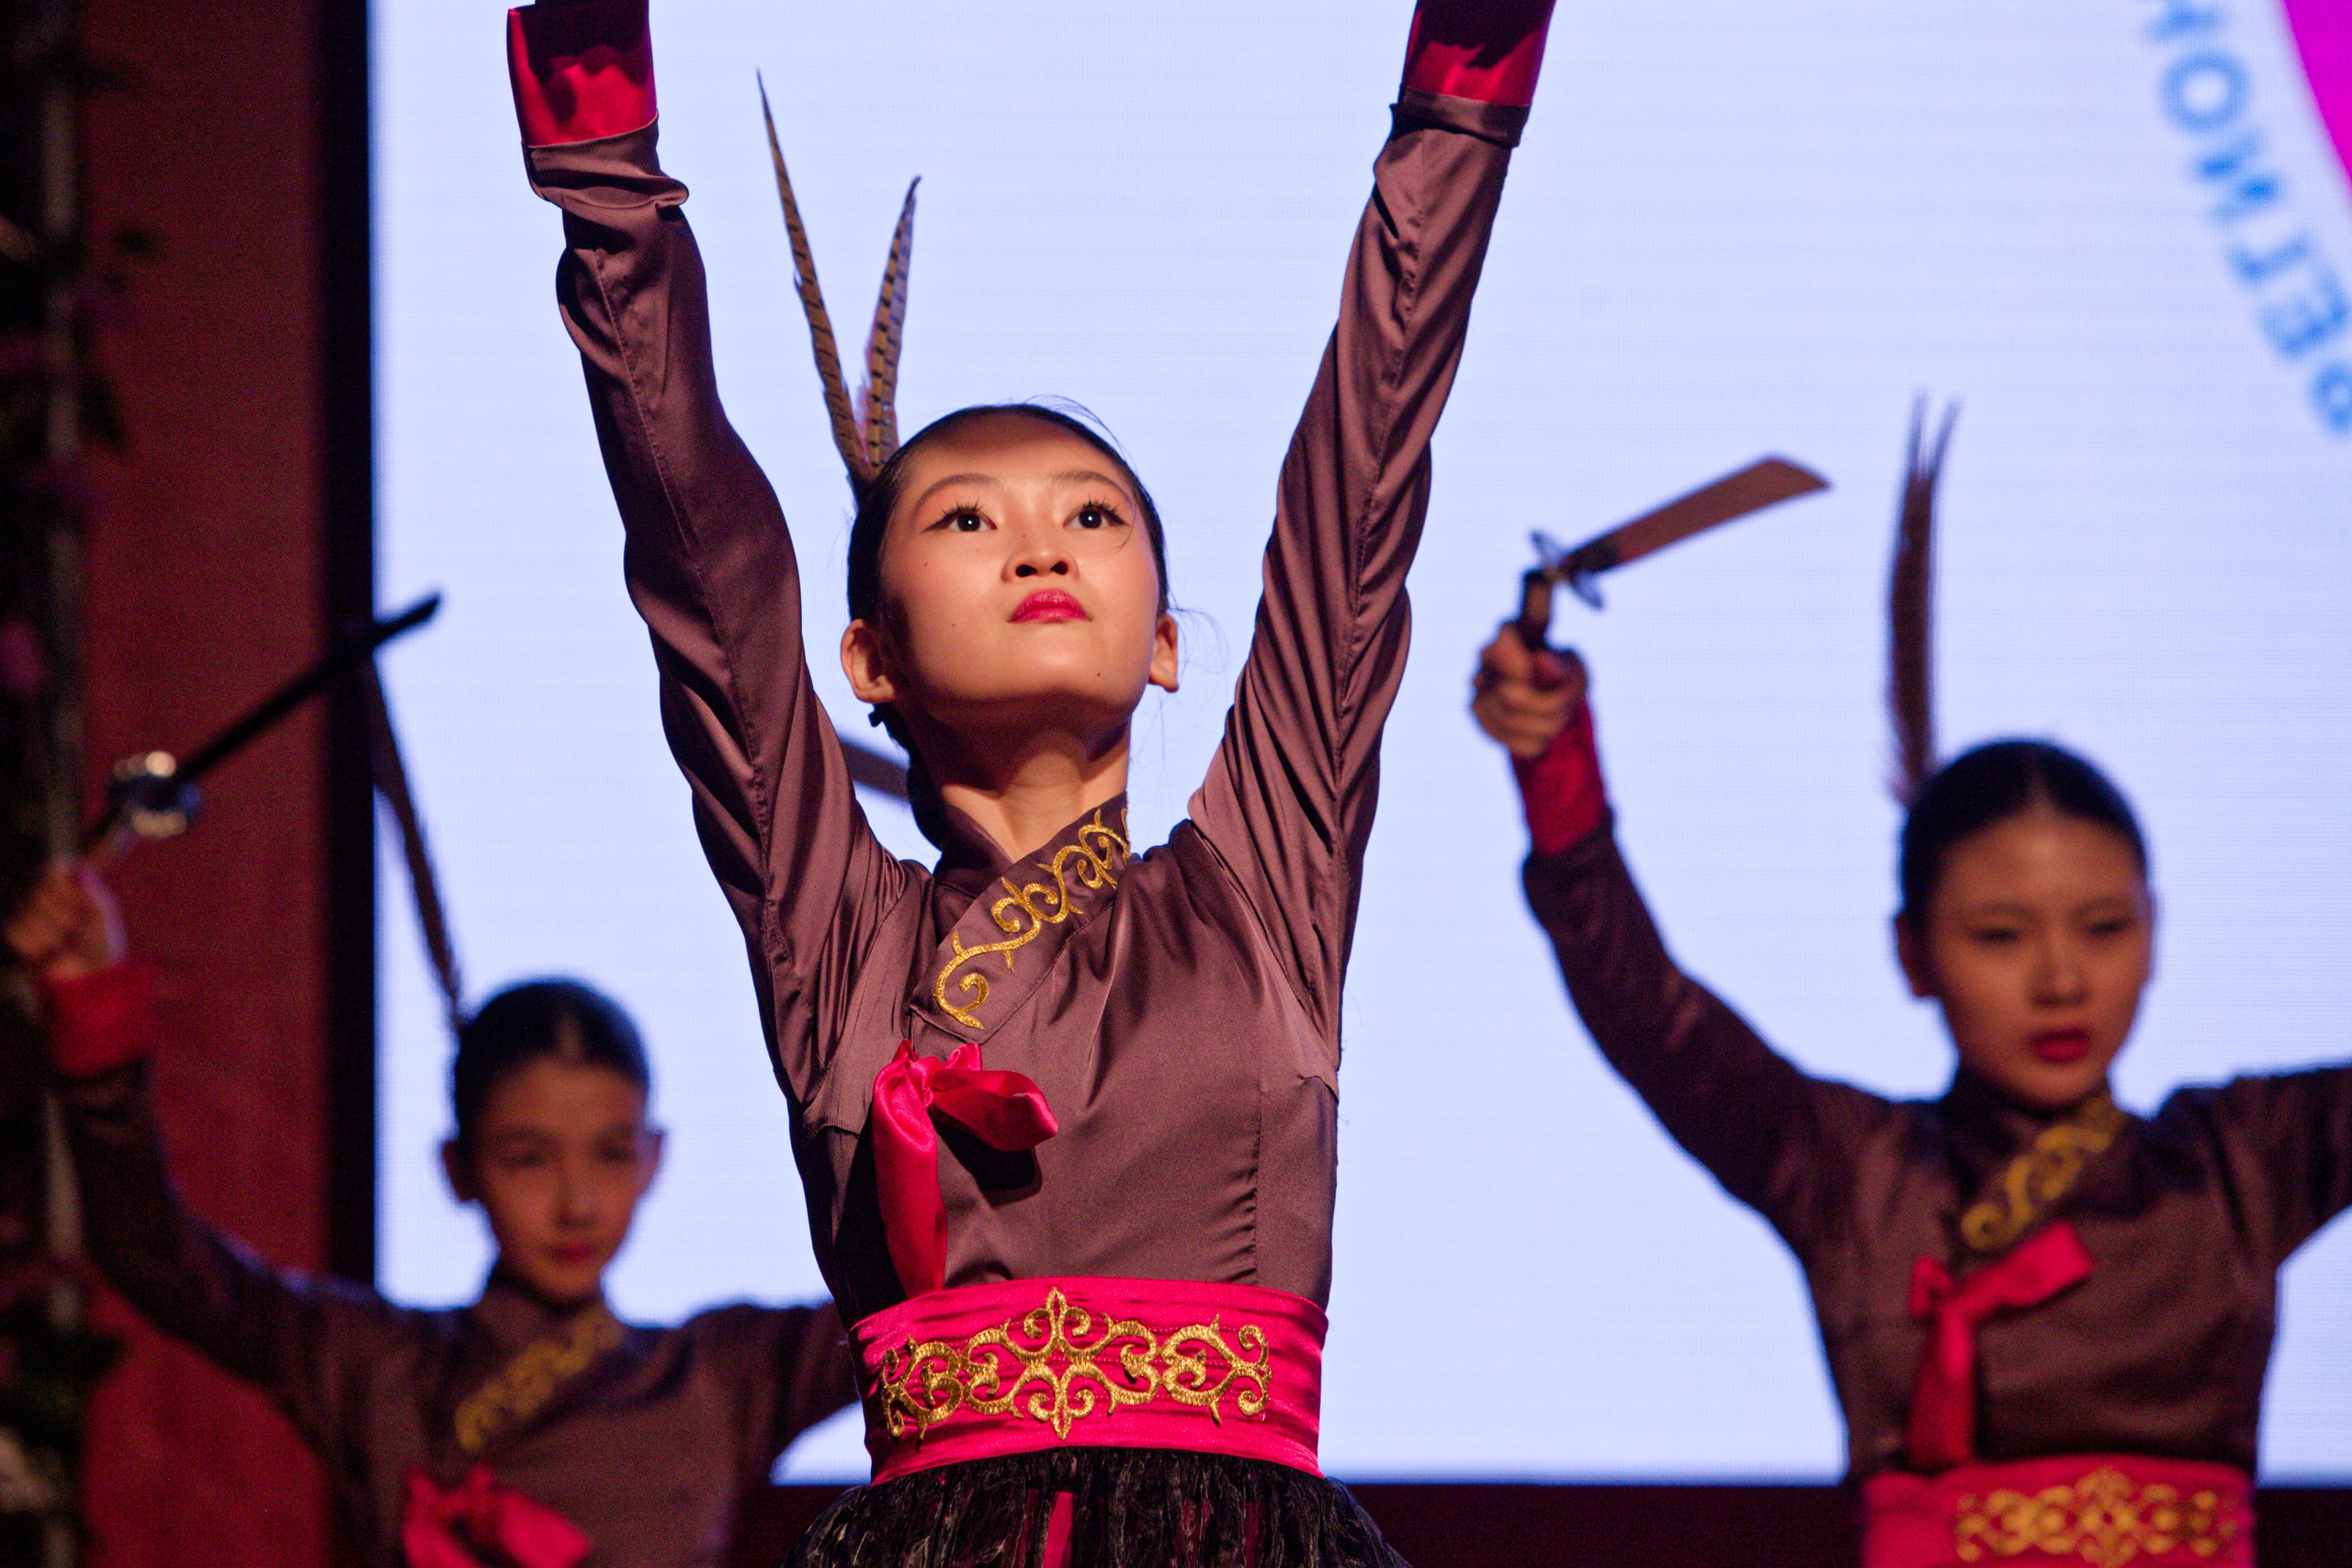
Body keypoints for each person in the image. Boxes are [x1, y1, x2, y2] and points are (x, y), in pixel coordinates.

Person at [510, 0, 1555, 1560]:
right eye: (967, 521)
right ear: (865, 656)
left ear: (1169, 646)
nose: (1042, 541)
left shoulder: (1261, 879)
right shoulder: (845, 937)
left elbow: (1365, 475)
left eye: (1092, 515)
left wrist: (1456, 115)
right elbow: (702, 559)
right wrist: (608, 182)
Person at [1468, 556, 2352, 1562]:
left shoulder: (2238, 1163)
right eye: (2000, 936)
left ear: (2154, 931)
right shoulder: (1860, 1174)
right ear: (1912, 954)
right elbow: (1648, 1012)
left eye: (2103, 928)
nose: (2062, 980)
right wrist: (1555, 770)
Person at [6, 860, 857, 1568]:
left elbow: (940, 1291)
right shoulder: (377, 1367)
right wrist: (92, 1016)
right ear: (459, 1168)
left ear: (654, 1159)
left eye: (610, 1153)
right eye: (528, 1156)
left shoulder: (719, 1375)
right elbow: (161, 1260)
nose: (576, 1200)